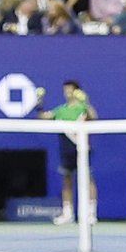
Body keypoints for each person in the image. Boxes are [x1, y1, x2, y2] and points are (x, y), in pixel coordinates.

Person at [42, 79, 98, 222]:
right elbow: (44, 117)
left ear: (77, 91)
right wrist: (39, 104)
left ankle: (90, 213)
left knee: (88, 180)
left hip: (82, 149)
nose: (67, 92)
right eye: (65, 89)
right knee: (67, 181)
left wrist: (86, 102)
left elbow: (93, 117)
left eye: (70, 89)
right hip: (66, 151)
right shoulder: (61, 109)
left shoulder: (82, 108)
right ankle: (68, 214)